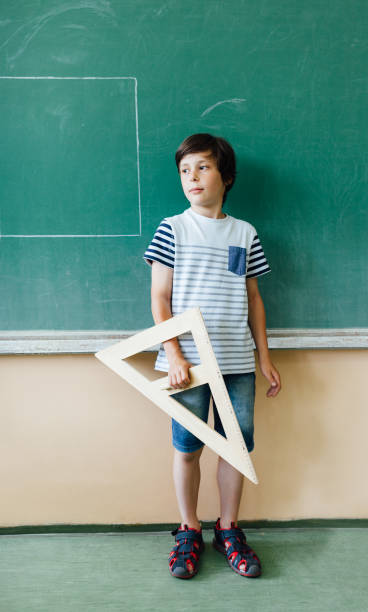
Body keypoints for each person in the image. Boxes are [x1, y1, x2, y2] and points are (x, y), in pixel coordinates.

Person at [143, 133, 281, 579]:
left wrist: (264, 357)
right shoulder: (173, 228)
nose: (192, 177)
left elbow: (254, 298)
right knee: (187, 448)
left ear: (226, 175)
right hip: (185, 365)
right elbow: (160, 299)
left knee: (235, 449)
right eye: (185, 170)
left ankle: (228, 529)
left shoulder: (245, 233)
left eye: (202, 167)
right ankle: (188, 528)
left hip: (237, 362)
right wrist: (174, 353)